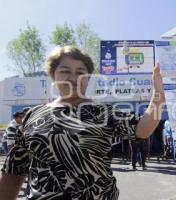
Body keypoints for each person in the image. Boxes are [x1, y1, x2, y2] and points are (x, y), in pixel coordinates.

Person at [0, 46, 165, 200]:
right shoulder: (31, 115)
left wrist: (158, 92)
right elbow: (14, 171)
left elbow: (143, 129)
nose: (73, 78)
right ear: (53, 74)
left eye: (80, 72)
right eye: (65, 71)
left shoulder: (104, 112)